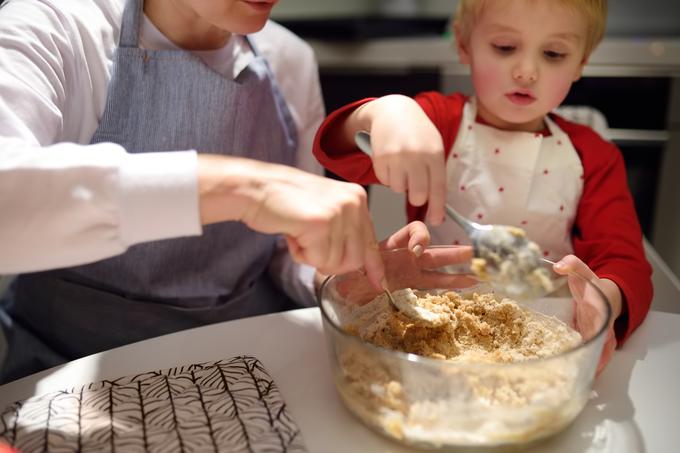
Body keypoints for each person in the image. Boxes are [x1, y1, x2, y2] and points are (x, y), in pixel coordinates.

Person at [0, 0, 431, 383]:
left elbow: (283, 253)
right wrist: (246, 189)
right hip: (70, 366)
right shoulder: (55, 29)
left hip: (241, 367)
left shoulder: (288, 59)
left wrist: (338, 279)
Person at [312, 0, 653, 373]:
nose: (526, 71)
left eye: (554, 54)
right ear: (464, 44)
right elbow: (339, 151)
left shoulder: (593, 155)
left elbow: (624, 261)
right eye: (505, 48)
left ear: (581, 62)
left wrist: (605, 297)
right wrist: (383, 113)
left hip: (544, 339)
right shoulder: (439, 123)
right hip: (435, 329)